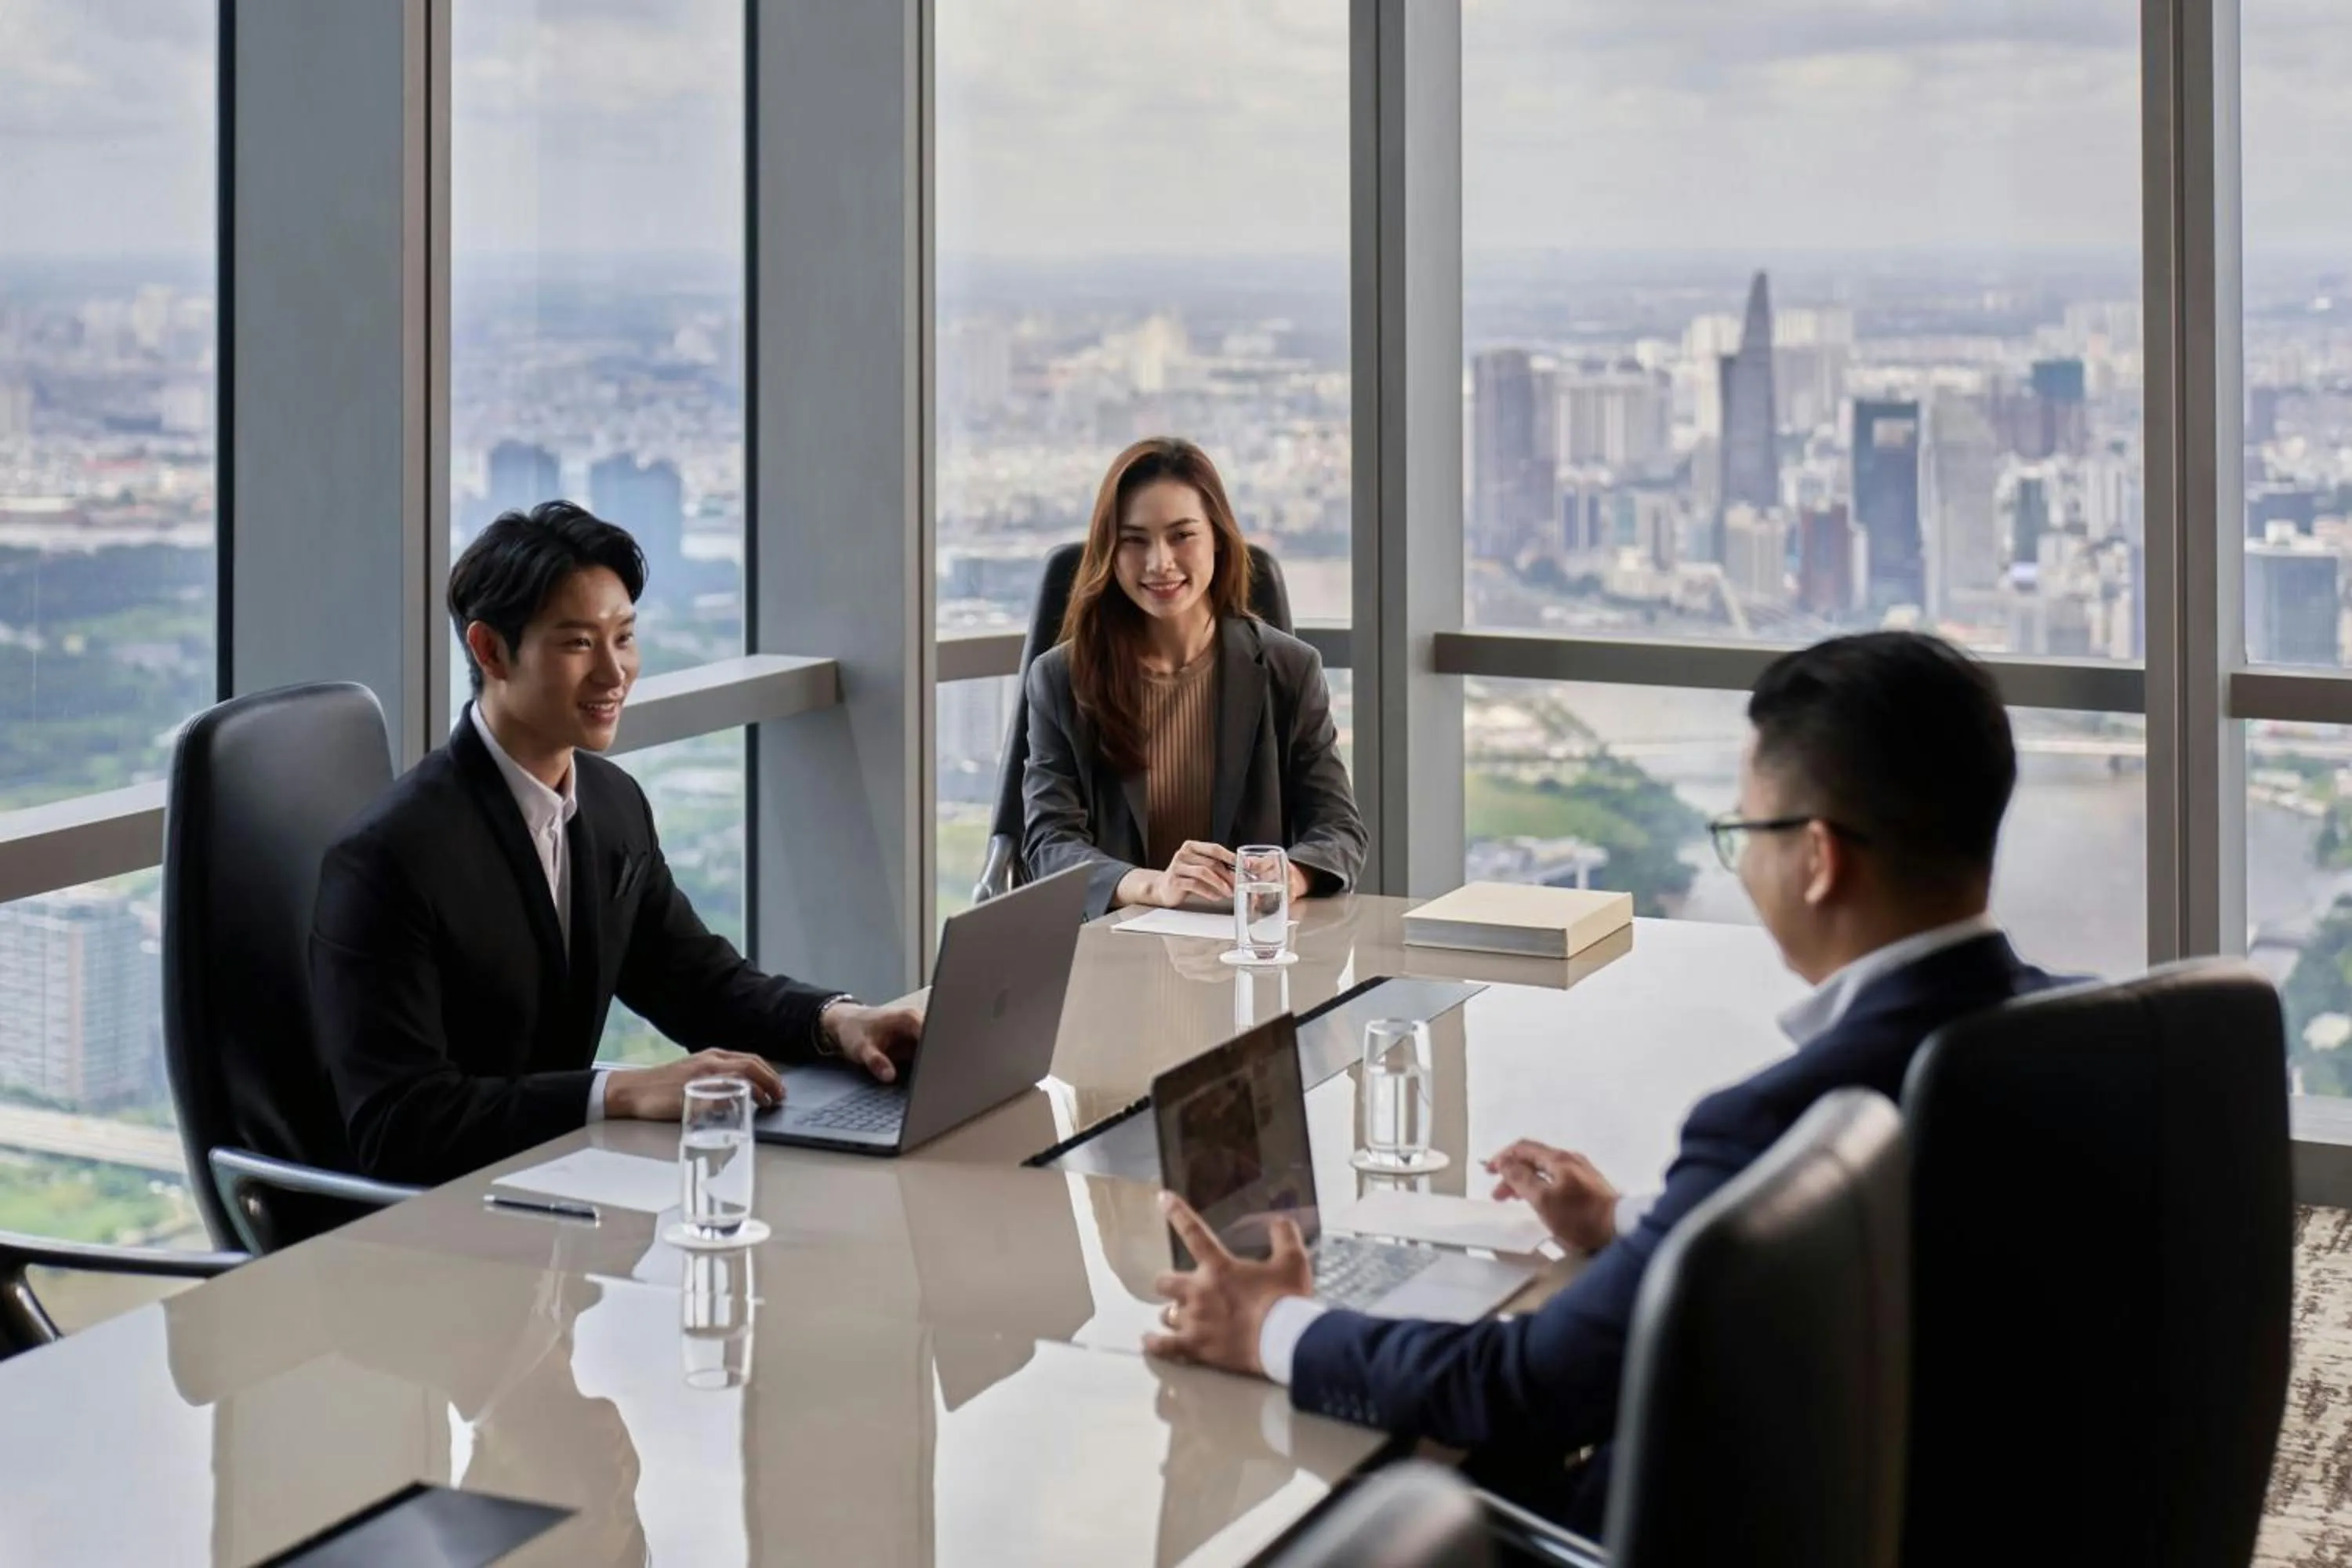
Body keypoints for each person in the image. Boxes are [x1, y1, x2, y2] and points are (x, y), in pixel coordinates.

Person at [1142, 630, 2064, 1529]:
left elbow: (1519, 1386)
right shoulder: (2066, 1039)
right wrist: (1630, 1217)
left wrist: (1275, 1326)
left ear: (1818, 859)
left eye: (1743, 832)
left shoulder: (1785, 1118)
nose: (1740, 864)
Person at [310, 501, 920, 1185]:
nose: (614, 673)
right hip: (432, 1223)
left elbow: (701, 986)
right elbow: (401, 1124)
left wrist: (839, 1021)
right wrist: (620, 1092)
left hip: (555, 1190)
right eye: (577, 643)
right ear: (490, 651)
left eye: (623, 637)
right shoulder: (391, 858)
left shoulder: (610, 804)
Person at [1022, 437, 1367, 920]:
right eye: (1134, 540)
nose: (1159, 562)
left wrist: (1288, 876)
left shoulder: (1290, 669)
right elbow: (1048, 843)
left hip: (1249, 948)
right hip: (1117, 948)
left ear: (1219, 540)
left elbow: (1339, 830)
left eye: (1182, 535)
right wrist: (1154, 885)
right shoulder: (1061, 678)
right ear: (1110, 552)